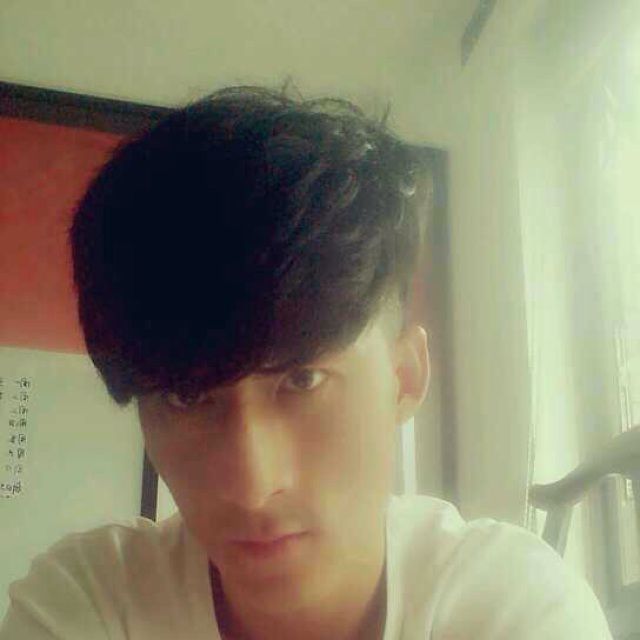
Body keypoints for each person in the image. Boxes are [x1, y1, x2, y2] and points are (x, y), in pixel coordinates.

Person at [0, 85, 612, 639]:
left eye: (302, 379)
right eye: (187, 397)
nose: (252, 484)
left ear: (404, 377)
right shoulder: (92, 603)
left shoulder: (511, 608)